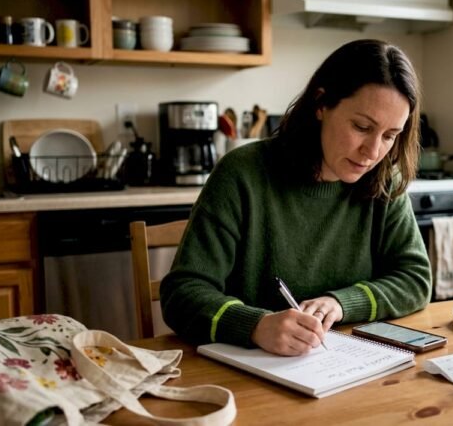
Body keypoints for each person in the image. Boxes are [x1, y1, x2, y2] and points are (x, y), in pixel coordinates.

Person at [161, 39, 431, 356]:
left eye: (389, 136)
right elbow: (182, 295)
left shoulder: (385, 180)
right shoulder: (242, 173)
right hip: (251, 376)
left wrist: (341, 303)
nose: (372, 153)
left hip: (347, 371)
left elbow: (414, 280)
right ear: (321, 104)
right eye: (361, 126)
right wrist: (256, 325)